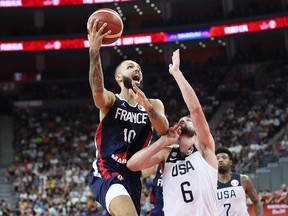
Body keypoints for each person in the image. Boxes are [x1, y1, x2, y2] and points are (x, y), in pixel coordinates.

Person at [86, 19, 169, 216]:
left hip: (133, 175)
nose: (137, 69)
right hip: (107, 167)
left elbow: (164, 129)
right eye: (131, 67)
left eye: (139, 68)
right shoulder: (111, 101)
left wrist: (146, 106)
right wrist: (94, 52)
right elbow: (97, 91)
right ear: (118, 78)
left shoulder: (154, 104)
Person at [127, 49, 218, 216]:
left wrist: (176, 73)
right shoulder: (166, 154)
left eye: (188, 119)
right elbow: (133, 165)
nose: (184, 120)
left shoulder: (205, 148)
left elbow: (196, 110)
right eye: (181, 120)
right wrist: (162, 141)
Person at [216, 147, 263, 216]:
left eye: (224, 157)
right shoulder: (210, 183)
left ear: (230, 162)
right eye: (217, 158)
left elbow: (256, 201)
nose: (220, 160)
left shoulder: (243, 180)